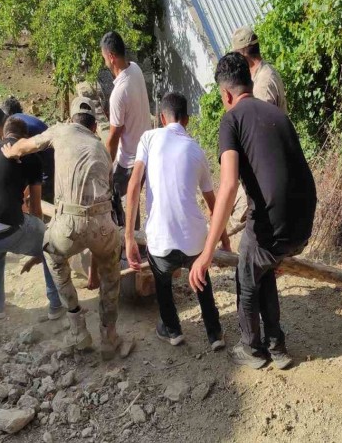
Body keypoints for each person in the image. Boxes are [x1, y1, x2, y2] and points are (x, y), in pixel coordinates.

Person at [188, 53, 317, 370]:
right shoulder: (276, 114)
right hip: (303, 225)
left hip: (274, 226)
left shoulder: (231, 120)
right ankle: (277, 346)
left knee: (246, 275)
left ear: (225, 94)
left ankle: (252, 349)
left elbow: (229, 186)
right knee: (261, 264)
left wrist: (206, 253)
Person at [0, 97, 131, 360]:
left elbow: (28, 146)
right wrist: (95, 270)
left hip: (67, 225)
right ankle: (109, 338)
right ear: (94, 127)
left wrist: (10, 152)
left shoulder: (60, 130)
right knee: (110, 275)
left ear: (72, 120)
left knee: (53, 254)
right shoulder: (103, 149)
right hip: (103, 226)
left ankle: (78, 331)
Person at [124, 92, 229, 350]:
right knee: (200, 278)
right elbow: (213, 203)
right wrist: (224, 240)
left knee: (162, 281)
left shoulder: (149, 138)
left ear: (162, 118)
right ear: (187, 120)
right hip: (194, 240)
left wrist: (129, 237)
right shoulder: (196, 150)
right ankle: (214, 334)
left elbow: (134, 184)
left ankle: (173, 330)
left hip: (160, 240)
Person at [0, 116, 63, 320]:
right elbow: (36, 208)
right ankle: (56, 305)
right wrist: (39, 243)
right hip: (5, 231)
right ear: (26, 138)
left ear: (3, 134)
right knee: (51, 244)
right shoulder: (32, 158)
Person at [229, 27, 289, 238]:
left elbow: (256, 134)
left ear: (243, 53)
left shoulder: (263, 83)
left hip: (262, 167)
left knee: (238, 220)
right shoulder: (260, 76)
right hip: (259, 166)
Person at [100, 30, 152, 228]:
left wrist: (105, 165)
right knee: (134, 197)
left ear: (111, 57)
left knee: (110, 193)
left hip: (130, 161)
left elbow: (114, 137)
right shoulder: (136, 69)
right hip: (146, 152)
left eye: (104, 57)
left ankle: (126, 240)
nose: (104, 61)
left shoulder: (118, 93)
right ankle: (136, 240)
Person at [1, 97, 55, 203]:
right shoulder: (19, 120)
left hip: (47, 165)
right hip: (51, 157)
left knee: (37, 197)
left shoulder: (19, 129)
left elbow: (23, 156)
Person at [231, 26, 287, 112]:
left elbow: (262, 122)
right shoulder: (265, 69)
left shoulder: (262, 84)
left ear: (243, 55)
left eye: (236, 55)